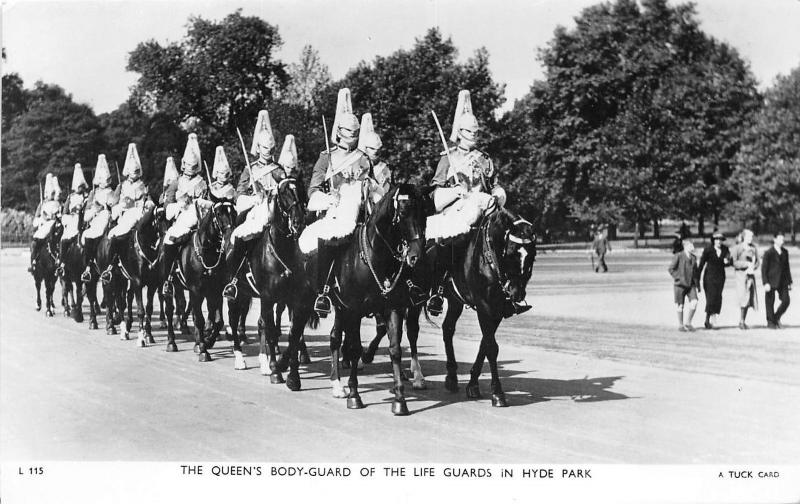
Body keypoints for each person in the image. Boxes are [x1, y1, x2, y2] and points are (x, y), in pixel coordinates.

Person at [425, 89, 507, 316]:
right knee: (446, 244)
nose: (474, 135)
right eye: (469, 132)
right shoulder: (447, 158)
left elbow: (494, 185)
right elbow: (435, 192)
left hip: (483, 209)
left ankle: (508, 291)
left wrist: (498, 195)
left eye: (476, 131)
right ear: (460, 133)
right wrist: (453, 192)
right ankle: (438, 290)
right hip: (457, 211)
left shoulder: (484, 159)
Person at [297, 88, 374, 316]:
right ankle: (323, 290)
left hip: (360, 213)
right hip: (335, 213)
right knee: (329, 241)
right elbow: (313, 190)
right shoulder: (326, 157)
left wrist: (365, 184)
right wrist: (329, 197)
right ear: (339, 132)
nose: (352, 136)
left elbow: (371, 185)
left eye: (355, 132)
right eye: (348, 132)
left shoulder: (363, 158)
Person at [222, 109, 288, 300]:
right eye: (265, 148)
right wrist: (253, 198)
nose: (269, 152)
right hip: (256, 211)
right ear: (258, 148)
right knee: (241, 236)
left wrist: (275, 192)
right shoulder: (249, 170)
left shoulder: (279, 170)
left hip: (276, 211)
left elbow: (286, 191)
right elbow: (239, 195)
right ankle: (234, 279)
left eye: (271, 148)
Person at [161, 134, 209, 295]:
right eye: (188, 165)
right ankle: (167, 278)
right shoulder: (176, 183)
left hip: (200, 220)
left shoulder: (203, 183)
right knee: (170, 239)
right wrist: (178, 205)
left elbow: (209, 201)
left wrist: (201, 204)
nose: (190, 168)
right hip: (181, 221)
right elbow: (167, 204)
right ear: (183, 165)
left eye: (193, 165)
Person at [102, 143, 154, 281]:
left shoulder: (143, 185)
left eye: (137, 171)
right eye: (133, 171)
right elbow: (113, 201)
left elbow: (149, 200)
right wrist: (117, 203)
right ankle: (111, 265)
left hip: (140, 214)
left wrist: (146, 203)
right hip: (126, 215)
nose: (135, 174)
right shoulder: (122, 186)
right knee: (114, 235)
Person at [81, 154, 117, 281]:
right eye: (102, 179)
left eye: (106, 179)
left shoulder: (112, 192)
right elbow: (86, 216)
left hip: (107, 216)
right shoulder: (93, 193)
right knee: (89, 234)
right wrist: (95, 209)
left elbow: (115, 206)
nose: (104, 182)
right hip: (95, 218)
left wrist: (109, 206)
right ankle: (89, 266)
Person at [29, 173, 63, 273]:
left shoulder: (57, 203)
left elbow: (59, 214)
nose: (51, 195)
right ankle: (34, 261)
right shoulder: (42, 204)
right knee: (36, 241)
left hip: (54, 224)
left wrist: (54, 216)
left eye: (53, 193)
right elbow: (36, 217)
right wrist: (42, 218)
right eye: (50, 193)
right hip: (44, 225)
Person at [698, 232, 731, 329]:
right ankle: (708, 319)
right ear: (713, 240)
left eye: (720, 240)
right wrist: (696, 278)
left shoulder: (725, 249)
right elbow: (701, 264)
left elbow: (729, 261)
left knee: (717, 297)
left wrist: (727, 262)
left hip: (720, 277)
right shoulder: (708, 250)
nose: (719, 242)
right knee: (710, 297)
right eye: (717, 239)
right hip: (709, 277)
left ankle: (713, 317)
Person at [59, 163, 89, 263]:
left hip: (84, 218)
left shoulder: (87, 196)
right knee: (64, 238)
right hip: (72, 220)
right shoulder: (70, 197)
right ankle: (61, 262)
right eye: (79, 186)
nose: (80, 188)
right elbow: (65, 211)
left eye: (82, 186)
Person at [762, 231, 792, 329]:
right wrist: (765, 282)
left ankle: (776, 317)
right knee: (770, 302)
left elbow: (787, 267)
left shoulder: (785, 252)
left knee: (786, 301)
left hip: (783, 281)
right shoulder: (768, 253)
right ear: (775, 239)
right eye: (780, 238)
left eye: (783, 239)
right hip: (771, 281)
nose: (782, 240)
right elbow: (764, 269)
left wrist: (789, 282)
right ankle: (770, 322)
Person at [668, 238, 700, 331]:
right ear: (685, 246)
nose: (693, 247)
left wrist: (698, 285)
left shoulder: (694, 258)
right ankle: (681, 325)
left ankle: (688, 323)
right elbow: (671, 269)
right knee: (680, 305)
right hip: (680, 285)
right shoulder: (678, 256)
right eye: (691, 245)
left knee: (694, 302)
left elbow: (696, 273)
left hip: (691, 285)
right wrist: (678, 277)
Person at [731, 229, 759, 329]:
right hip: (741, 276)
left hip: (750, 276)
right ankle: (741, 321)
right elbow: (733, 262)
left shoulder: (754, 248)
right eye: (748, 236)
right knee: (743, 297)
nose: (750, 239)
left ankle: (743, 320)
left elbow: (757, 262)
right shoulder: (737, 248)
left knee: (749, 298)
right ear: (744, 237)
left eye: (752, 237)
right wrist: (745, 265)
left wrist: (753, 267)